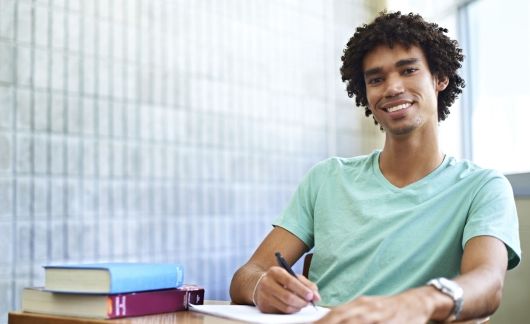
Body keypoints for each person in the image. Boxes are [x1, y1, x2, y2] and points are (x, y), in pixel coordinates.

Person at [229, 11, 521, 323]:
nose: (392, 88)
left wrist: (418, 303)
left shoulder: (483, 187)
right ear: (366, 94)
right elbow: (245, 275)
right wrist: (262, 287)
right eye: (376, 79)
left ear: (440, 78)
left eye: (408, 70)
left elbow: (488, 284)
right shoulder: (327, 178)